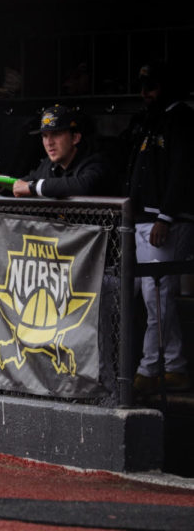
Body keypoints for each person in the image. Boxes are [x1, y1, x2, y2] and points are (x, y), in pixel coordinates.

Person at [125, 62, 194, 393]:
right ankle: (174, 366)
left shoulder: (180, 117)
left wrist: (166, 216)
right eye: (143, 87)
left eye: (151, 87)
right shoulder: (152, 119)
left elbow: (183, 168)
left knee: (157, 296)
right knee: (154, 297)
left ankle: (152, 367)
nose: (145, 93)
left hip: (166, 220)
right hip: (144, 218)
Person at [0, 105, 114, 198]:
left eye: (56, 134)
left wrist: (32, 187)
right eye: (45, 136)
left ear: (75, 138)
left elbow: (83, 186)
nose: (49, 142)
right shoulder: (49, 165)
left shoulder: (96, 161)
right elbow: (21, 185)